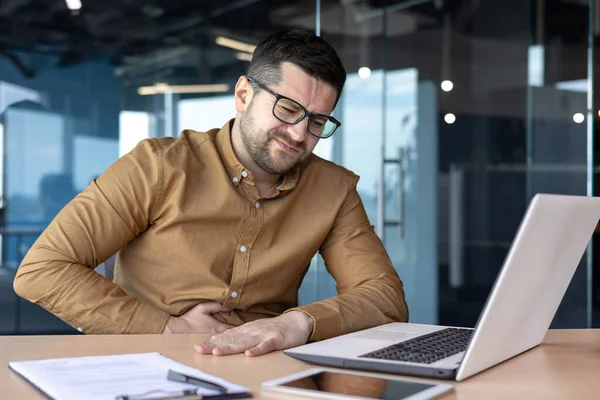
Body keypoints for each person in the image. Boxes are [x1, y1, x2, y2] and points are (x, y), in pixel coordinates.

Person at [13, 29, 408, 357]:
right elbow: (43, 271)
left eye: (318, 120)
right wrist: (168, 328)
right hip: (146, 362)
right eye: (287, 109)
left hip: (265, 370)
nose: (300, 134)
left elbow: (384, 297)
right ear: (243, 96)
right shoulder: (158, 165)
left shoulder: (334, 190)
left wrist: (298, 323)